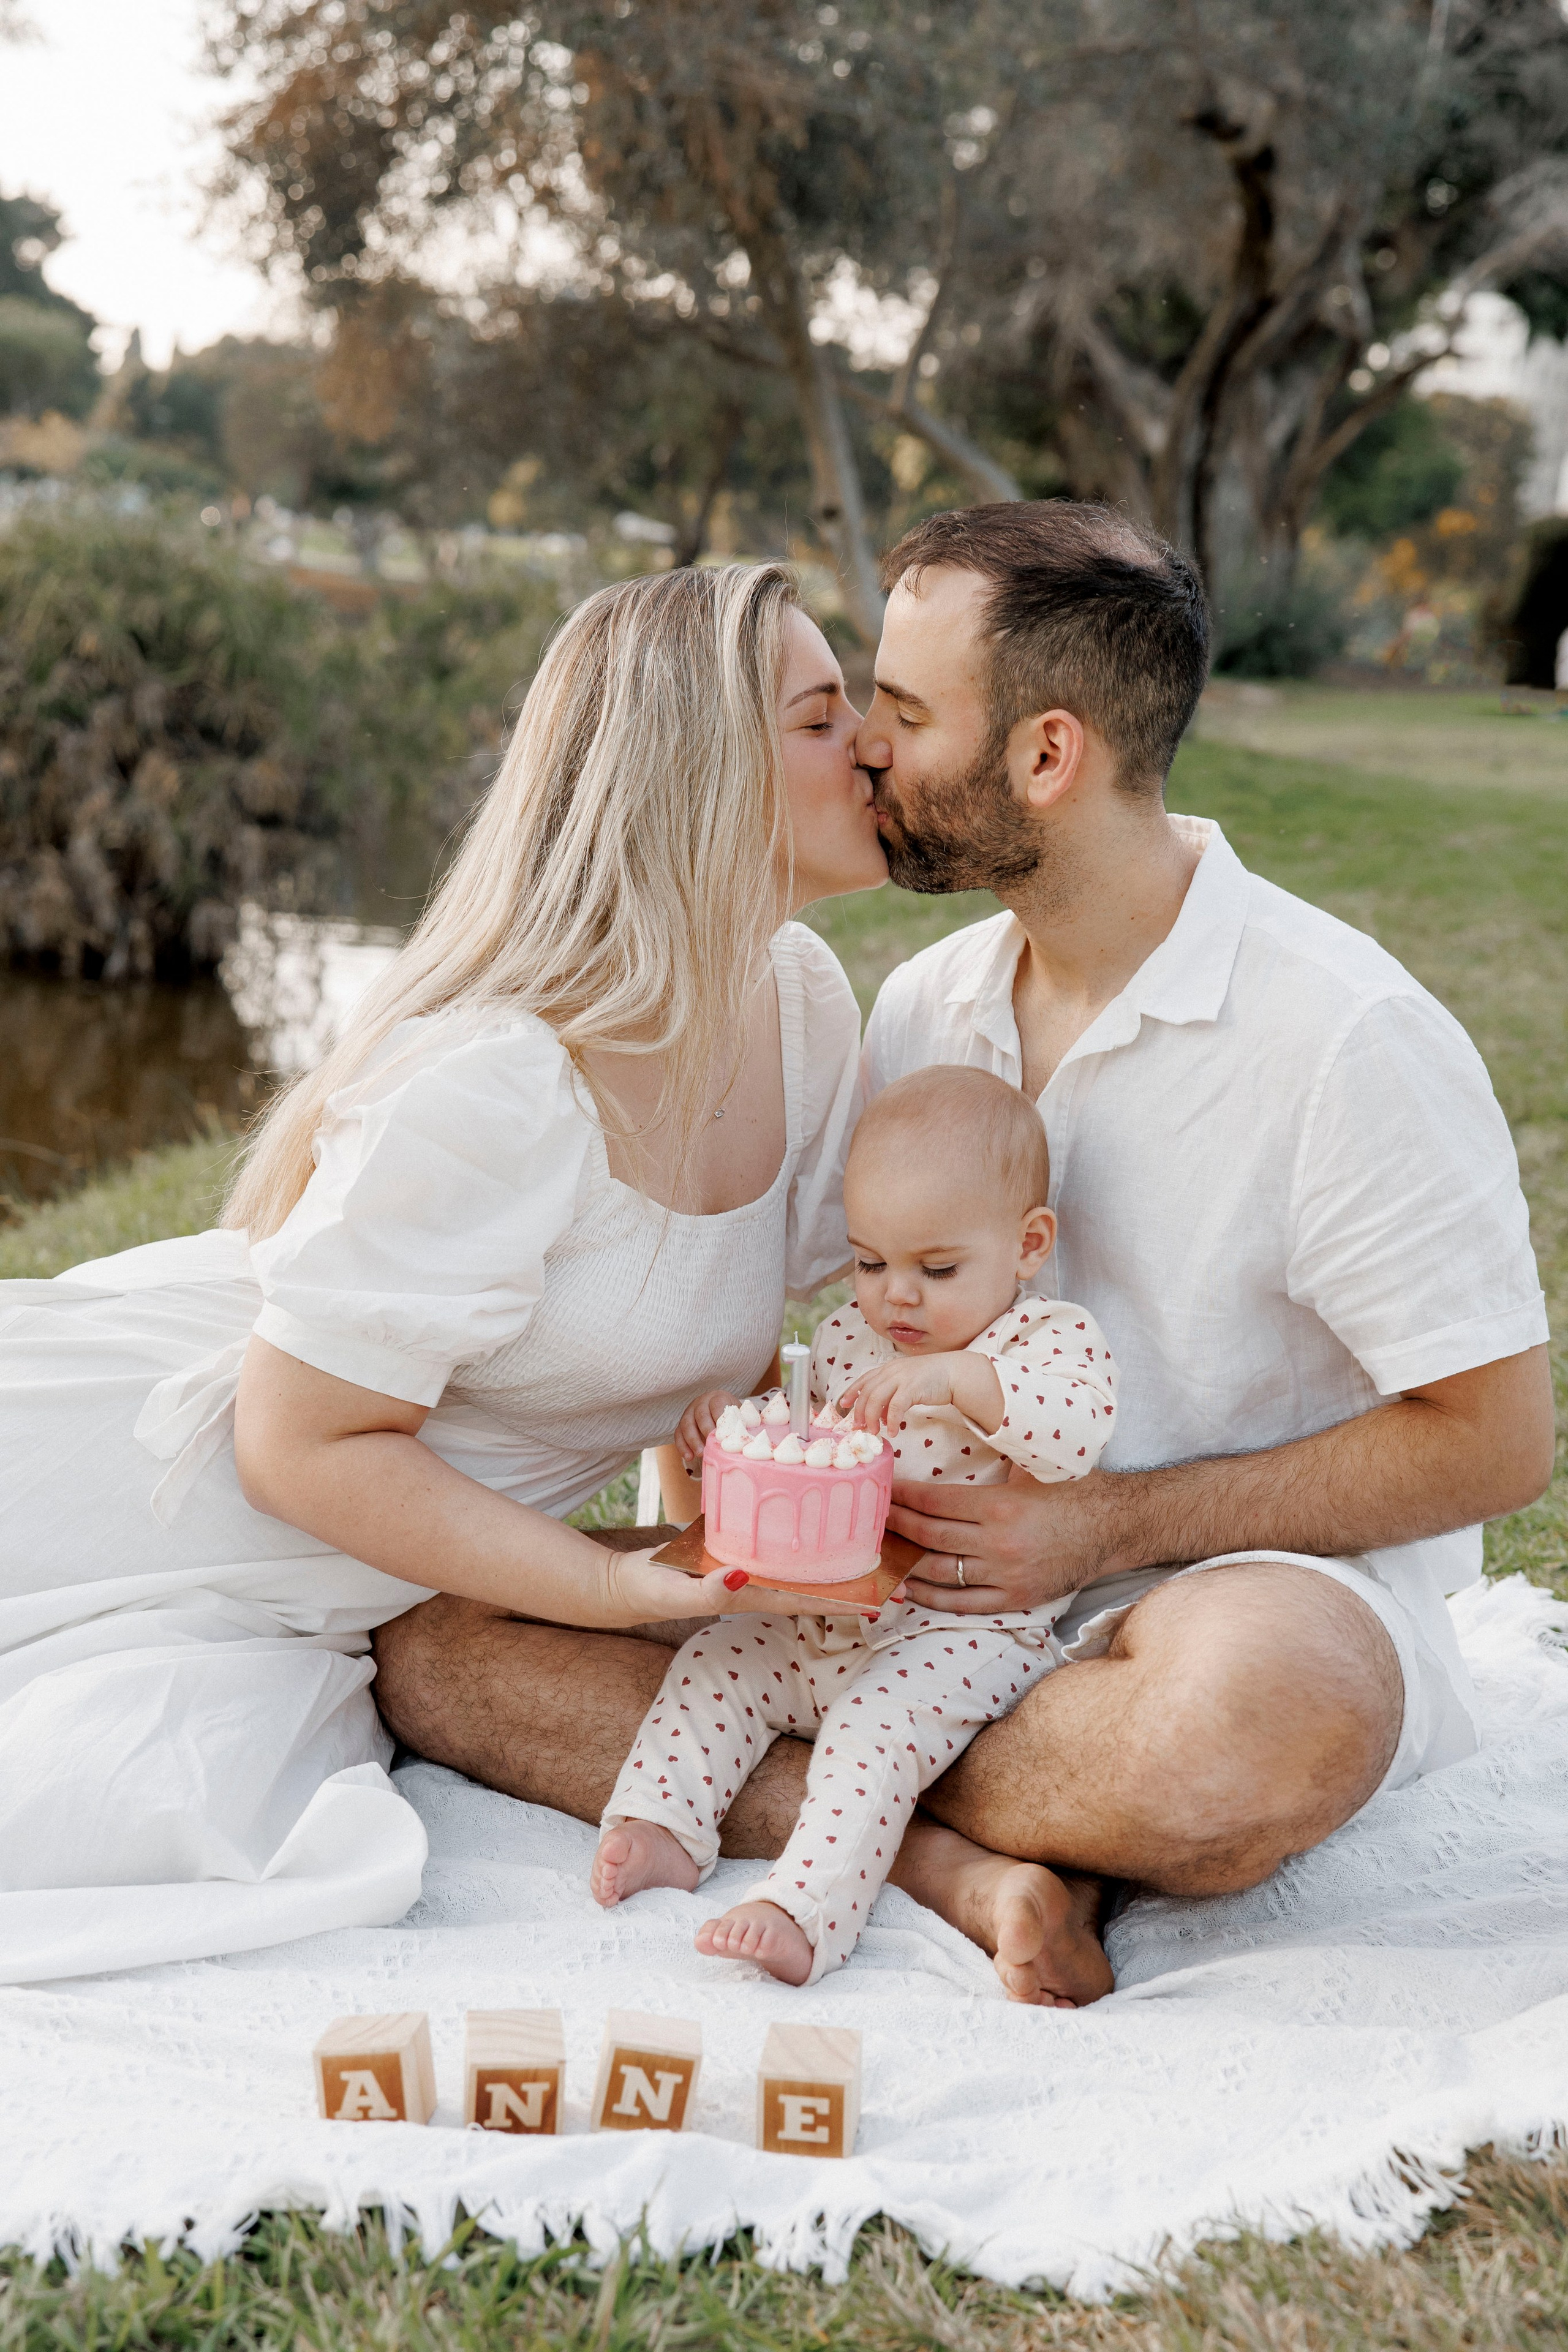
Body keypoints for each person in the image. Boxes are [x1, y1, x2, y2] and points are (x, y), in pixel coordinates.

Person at [375, 502, 1554, 2007]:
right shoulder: (925, 1007)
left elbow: (1495, 1442)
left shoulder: (1344, 1037)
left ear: (1046, 755)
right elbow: (839, 1330)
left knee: (1255, 1728)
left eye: (907, 712)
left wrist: (1100, 1528)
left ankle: (886, 1792)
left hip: (1208, 1599)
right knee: (441, 1645)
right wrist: (742, 1485)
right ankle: (969, 1860)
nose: (866, 746)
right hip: (894, 1599)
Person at [0, 561, 887, 1983]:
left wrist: (730, 1545)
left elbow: (715, 1372)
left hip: (351, 1571)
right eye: (821, 716)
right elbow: (296, 1443)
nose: (874, 745)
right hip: (148, 1495)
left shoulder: (796, 1004)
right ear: (700, 772)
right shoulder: (502, 1080)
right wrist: (610, 1593)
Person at [589, 1065, 1116, 1988]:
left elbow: (1074, 1434)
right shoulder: (848, 1340)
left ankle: (807, 1910)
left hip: (961, 1636)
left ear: (1027, 1245)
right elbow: (807, 1440)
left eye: (936, 1270)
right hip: (828, 1618)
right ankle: (665, 1822)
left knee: (871, 1734)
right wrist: (735, 1431)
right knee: (718, 1660)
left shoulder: (1044, 1343)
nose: (896, 1296)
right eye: (871, 1263)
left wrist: (958, 1381)